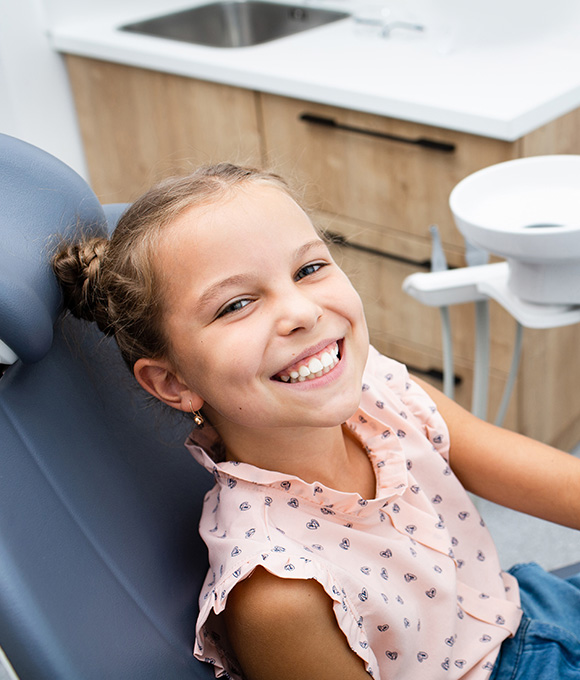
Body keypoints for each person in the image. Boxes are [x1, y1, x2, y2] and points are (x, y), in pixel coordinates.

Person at [52, 163, 580, 680]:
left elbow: (551, 481)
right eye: (236, 304)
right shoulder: (281, 590)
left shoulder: (382, 386)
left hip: (525, 611)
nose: (302, 312)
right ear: (174, 383)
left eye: (309, 269)